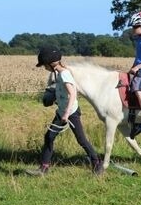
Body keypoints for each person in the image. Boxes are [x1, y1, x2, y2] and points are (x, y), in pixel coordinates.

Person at [26, 46, 104, 176]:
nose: (44, 68)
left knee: (81, 140)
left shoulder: (64, 74)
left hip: (71, 113)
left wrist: (67, 113)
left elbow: (73, 93)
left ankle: (97, 163)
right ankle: (43, 168)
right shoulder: (57, 74)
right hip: (61, 112)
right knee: (49, 137)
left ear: (51, 64)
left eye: (45, 65)